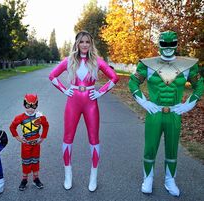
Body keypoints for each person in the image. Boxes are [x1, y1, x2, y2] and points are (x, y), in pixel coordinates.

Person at [128, 31, 204, 197]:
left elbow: (200, 84)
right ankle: (147, 178)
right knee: (150, 147)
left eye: (172, 44)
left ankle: (170, 180)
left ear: (176, 44)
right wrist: (144, 102)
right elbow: (133, 82)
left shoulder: (188, 65)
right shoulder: (147, 64)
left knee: (172, 149)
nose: (168, 48)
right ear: (159, 44)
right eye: (165, 44)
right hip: (155, 111)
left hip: (175, 112)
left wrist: (189, 104)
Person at [49, 30, 119, 192]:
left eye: (87, 42)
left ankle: (93, 176)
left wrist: (100, 92)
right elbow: (52, 76)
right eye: (82, 42)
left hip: (91, 103)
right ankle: (68, 174)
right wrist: (65, 90)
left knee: (94, 139)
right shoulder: (69, 60)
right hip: (73, 102)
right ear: (77, 44)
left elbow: (114, 78)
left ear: (91, 44)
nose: (85, 45)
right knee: (68, 138)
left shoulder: (97, 61)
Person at [9, 94, 49, 191]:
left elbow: (46, 126)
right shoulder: (20, 117)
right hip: (26, 144)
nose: (30, 109)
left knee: (35, 161)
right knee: (26, 162)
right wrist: (18, 138)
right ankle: (24, 179)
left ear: (36, 106)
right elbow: (12, 127)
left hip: (36, 144)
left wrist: (42, 137)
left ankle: (36, 179)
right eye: (28, 106)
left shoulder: (40, 117)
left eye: (33, 106)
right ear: (24, 105)